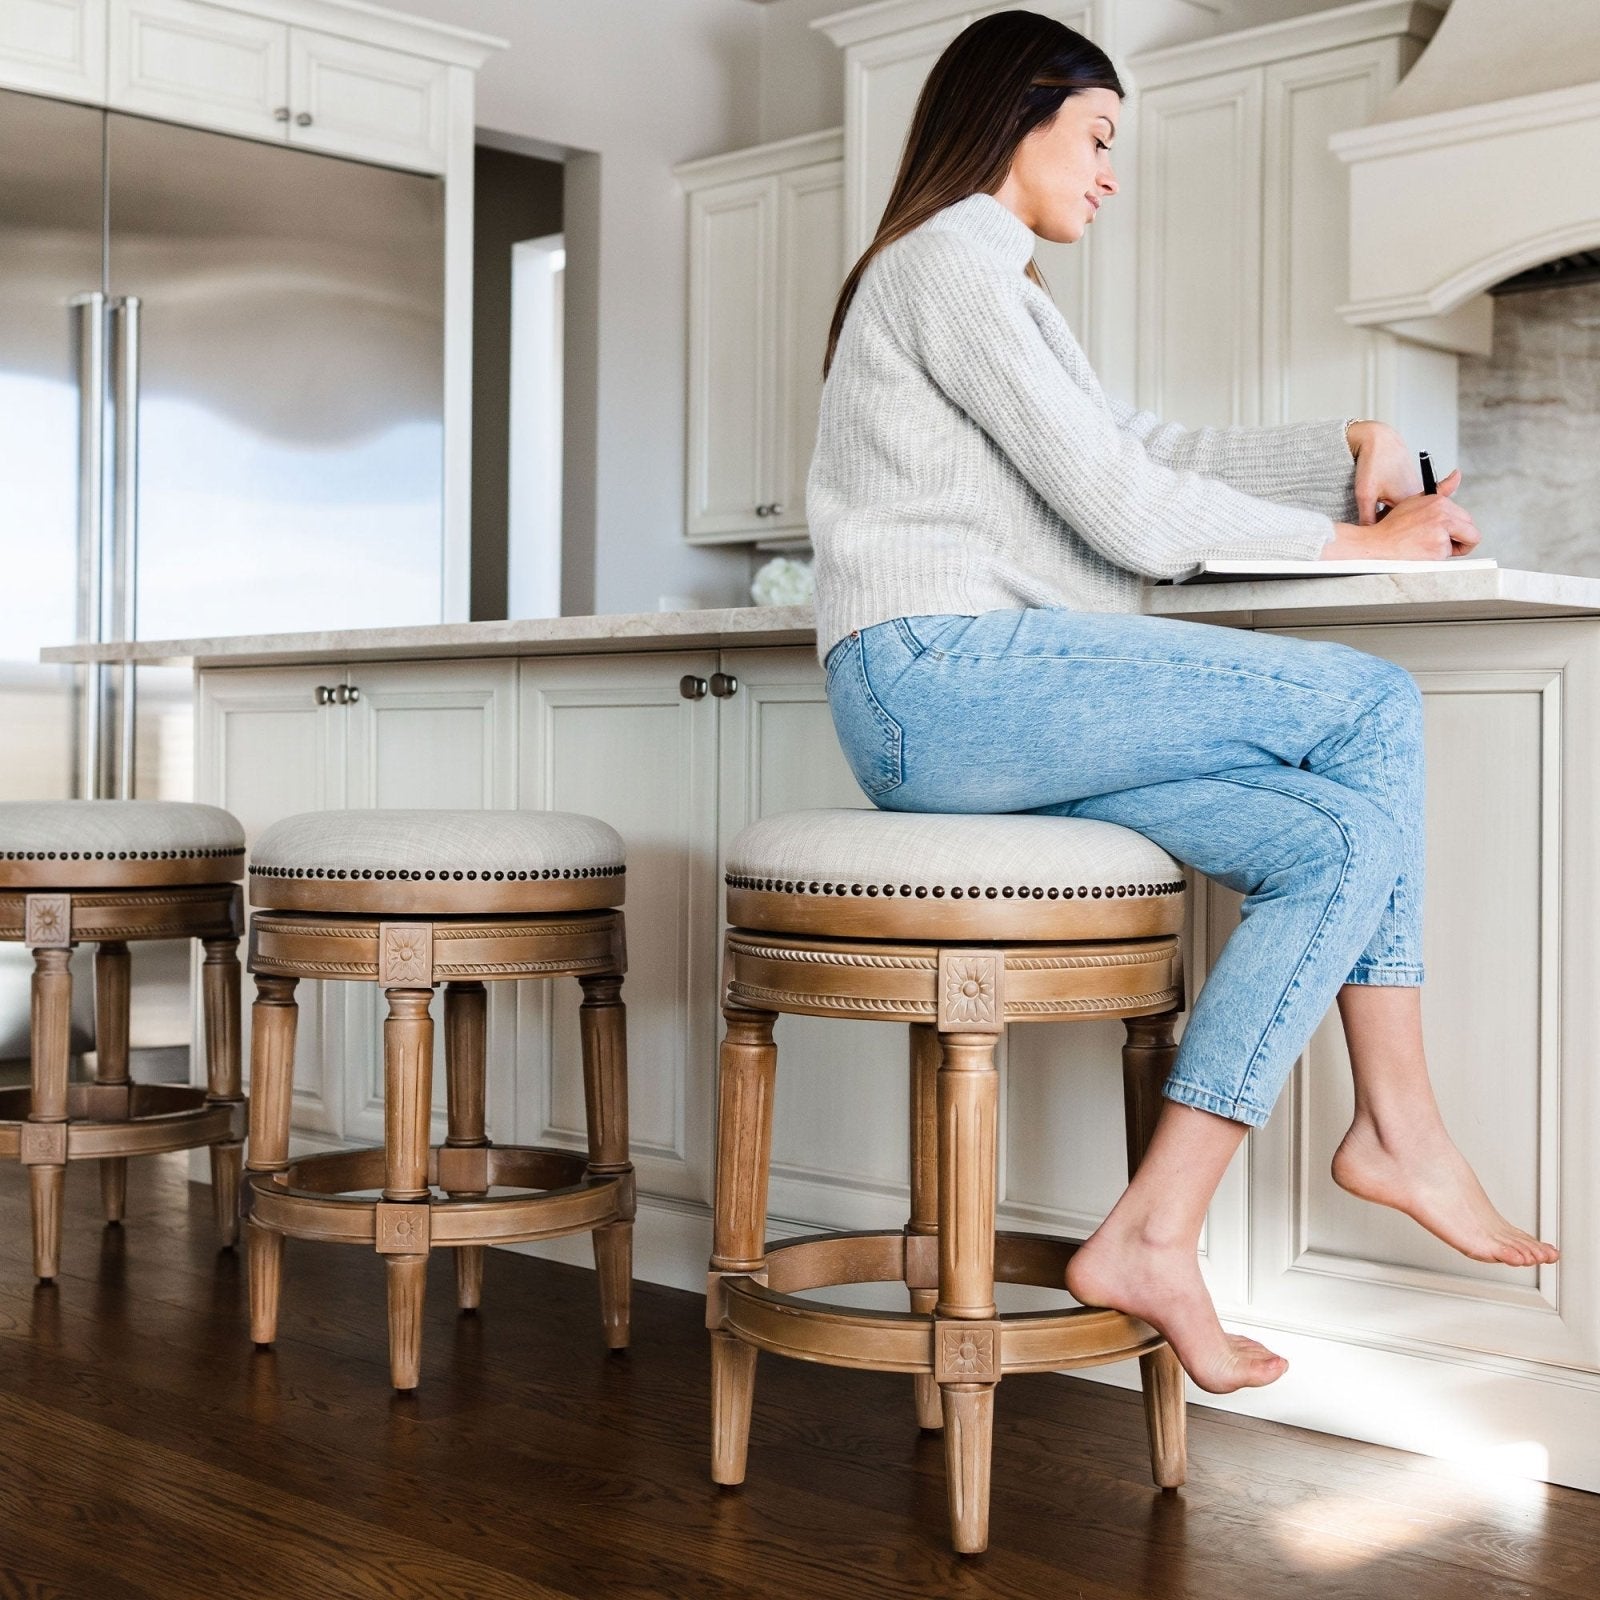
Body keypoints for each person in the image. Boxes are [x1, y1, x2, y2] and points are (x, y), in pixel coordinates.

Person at [806, 9, 1558, 1397]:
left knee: (1331, 844)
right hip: (940, 682)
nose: (1108, 172)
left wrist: (1341, 452)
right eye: (1097, 137)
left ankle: (1155, 1231)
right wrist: (1368, 543)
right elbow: (1132, 512)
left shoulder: (988, 285)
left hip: (972, 707)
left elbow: (1129, 446)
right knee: (1375, 704)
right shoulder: (952, 264)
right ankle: (1402, 1129)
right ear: (1017, 115)